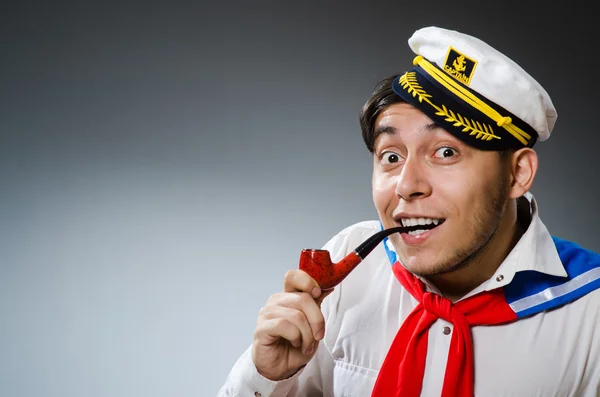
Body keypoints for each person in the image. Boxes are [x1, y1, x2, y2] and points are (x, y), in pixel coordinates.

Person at [217, 26, 600, 397]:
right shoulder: (348, 269)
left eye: (445, 152)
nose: (405, 184)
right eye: (391, 156)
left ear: (518, 173)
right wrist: (266, 377)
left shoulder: (591, 312)